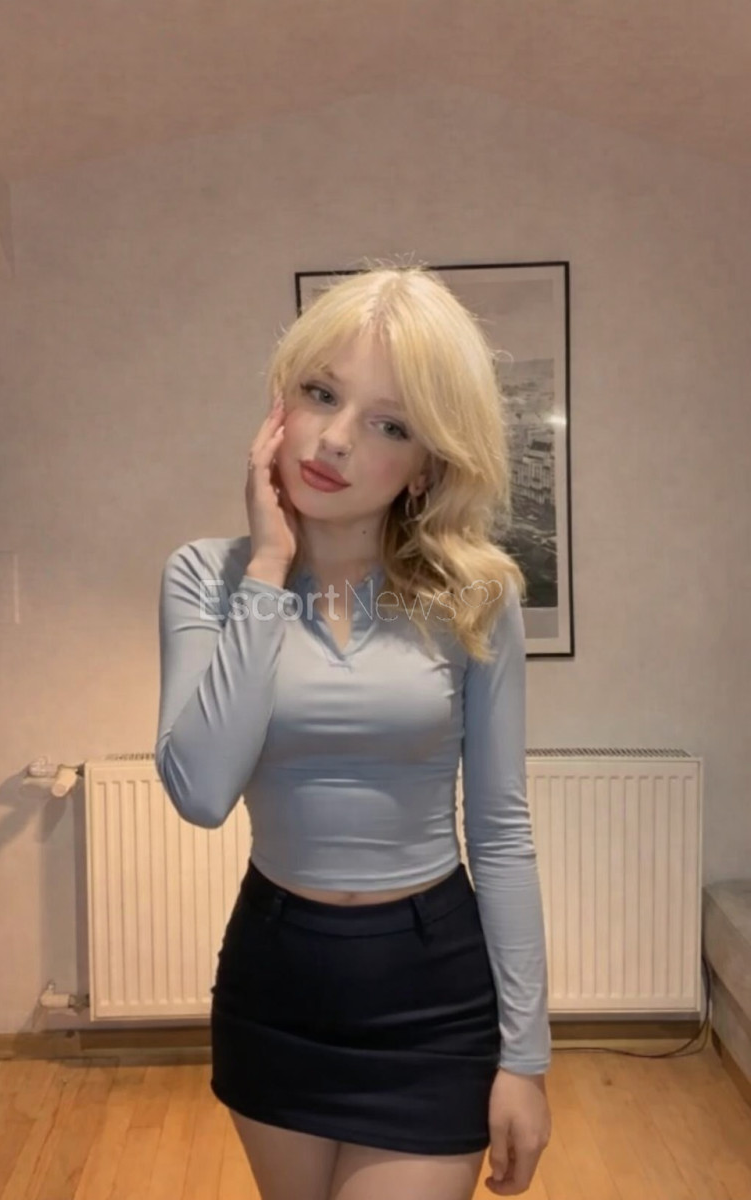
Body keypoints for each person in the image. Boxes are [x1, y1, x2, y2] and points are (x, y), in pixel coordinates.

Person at [154, 263, 553, 1200]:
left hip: (432, 994)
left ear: (428, 465)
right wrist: (268, 567)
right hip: (275, 985)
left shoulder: (477, 595)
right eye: (322, 394)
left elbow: (500, 830)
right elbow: (201, 792)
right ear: (279, 403)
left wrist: (526, 1057)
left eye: (390, 424)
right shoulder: (206, 578)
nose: (334, 439)